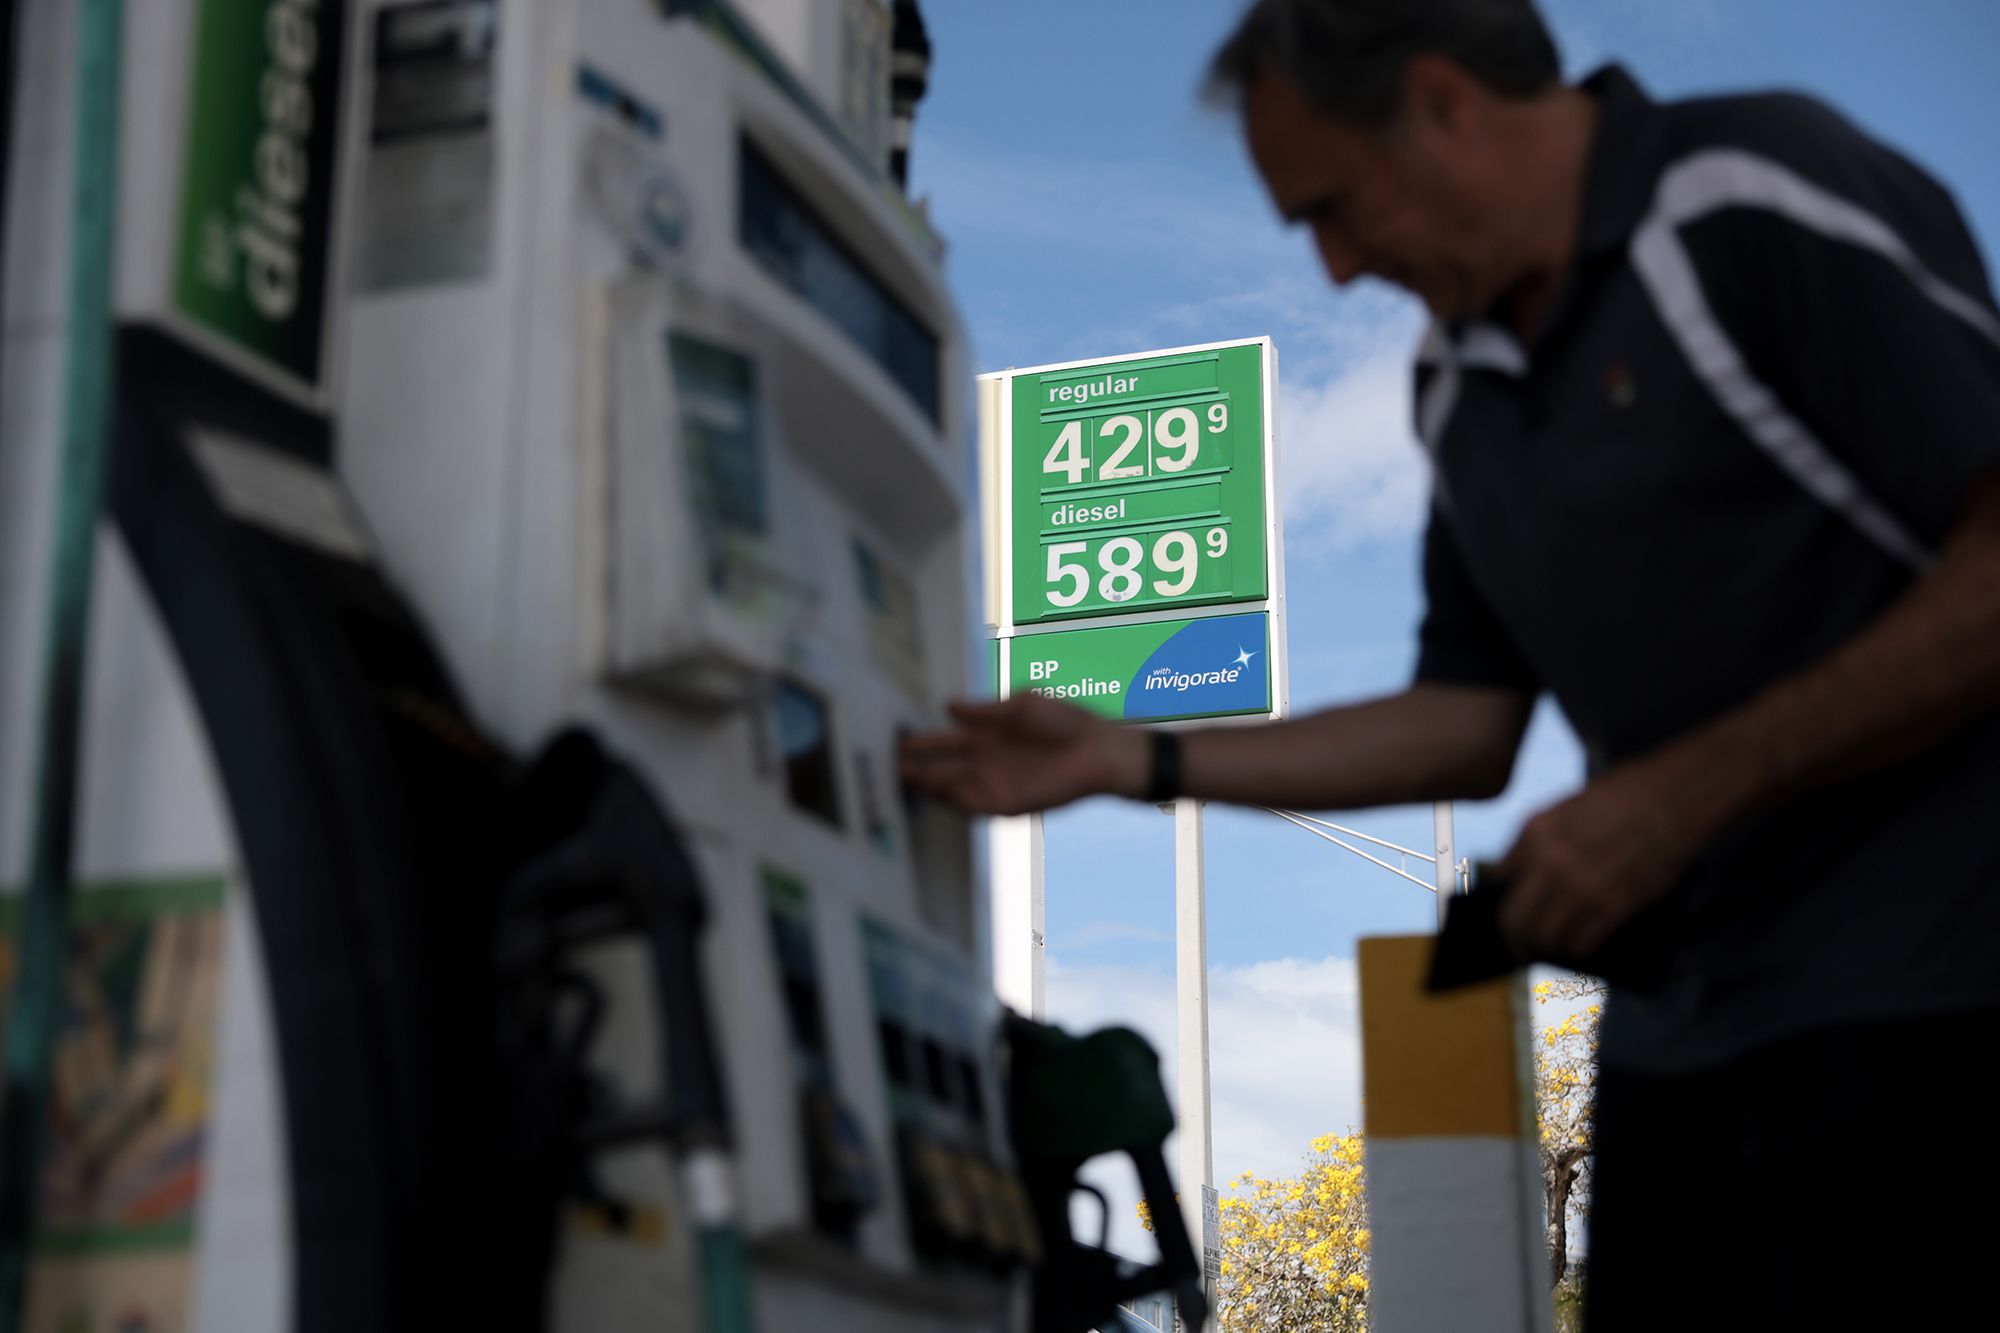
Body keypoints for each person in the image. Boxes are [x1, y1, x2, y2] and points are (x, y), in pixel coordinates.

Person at [900, 0, 2000, 1326]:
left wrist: (1676, 798)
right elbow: (1464, 719)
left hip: (1938, 998)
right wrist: (1128, 755)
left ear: (1444, 106)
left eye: (1335, 207)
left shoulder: (1743, 193)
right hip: (1689, 1043)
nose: (1337, 268)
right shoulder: (1454, 386)